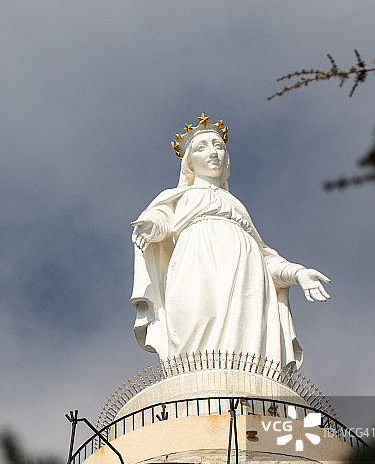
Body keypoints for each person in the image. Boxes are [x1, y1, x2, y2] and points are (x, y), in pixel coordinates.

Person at [131, 115, 330, 370]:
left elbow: (265, 257)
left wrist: (298, 273)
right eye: (202, 148)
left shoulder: (237, 207)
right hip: (196, 266)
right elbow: (160, 218)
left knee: (247, 347)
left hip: (248, 276)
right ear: (189, 163)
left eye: (218, 146)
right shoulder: (178, 197)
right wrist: (151, 226)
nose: (213, 153)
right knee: (195, 325)